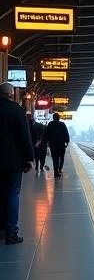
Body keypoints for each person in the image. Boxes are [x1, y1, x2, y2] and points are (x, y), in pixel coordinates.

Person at [0, 83, 35, 244]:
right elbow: (24, 137)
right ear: (12, 94)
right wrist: (29, 158)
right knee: (12, 194)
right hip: (13, 162)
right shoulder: (16, 110)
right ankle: (11, 232)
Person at [45, 112, 71, 178]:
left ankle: (56, 172)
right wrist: (67, 141)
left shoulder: (50, 124)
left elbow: (46, 134)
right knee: (61, 157)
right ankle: (60, 169)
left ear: (53, 118)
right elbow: (66, 133)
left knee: (55, 158)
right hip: (61, 145)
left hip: (53, 145)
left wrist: (46, 141)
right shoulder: (62, 124)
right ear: (59, 118)